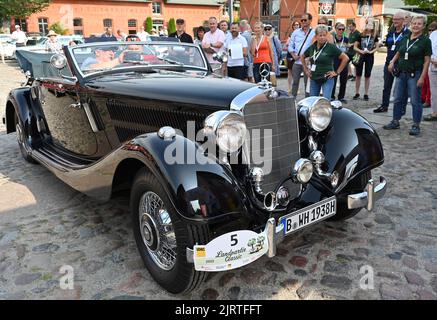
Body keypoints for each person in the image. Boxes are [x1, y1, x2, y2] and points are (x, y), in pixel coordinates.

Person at [383, 15, 432, 136]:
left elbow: (427, 61)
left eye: (419, 24)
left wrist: (422, 77)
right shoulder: (405, 37)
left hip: (415, 74)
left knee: (415, 100)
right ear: (411, 24)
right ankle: (395, 121)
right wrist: (392, 62)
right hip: (401, 73)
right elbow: (399, 52)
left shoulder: (425, 41)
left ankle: (416, 124)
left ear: (423, 26)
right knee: (398, 98)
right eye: (414, 23)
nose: (416, 25)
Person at [374, 12, 411, 113]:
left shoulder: (408, 33)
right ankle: (384, 106)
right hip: (388, 62)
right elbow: (388, 45)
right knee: (386, 86)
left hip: (401, 64)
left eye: (397, 19)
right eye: (394, 19)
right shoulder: (391, 32)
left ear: (403, 20)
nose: (394, 21)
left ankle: (400, 108)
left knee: (401, 88)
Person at [302, 24, 349, 100]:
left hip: (327, 78)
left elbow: (345, 58)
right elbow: (302, 56)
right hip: (314, 78)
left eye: (324, 35)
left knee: (326, 101)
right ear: (316, 36)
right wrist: (306, 70)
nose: (322, 37)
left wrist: (337, 72)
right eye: (320, 35)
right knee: (313, 101)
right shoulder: (312, 47)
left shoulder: (331, 47)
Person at [288, 13, 315, 98]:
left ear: (310, 21)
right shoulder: (296, 32)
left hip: (307, 62)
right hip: (297, 61)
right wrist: (293, 55)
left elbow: (315, 47)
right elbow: (290, 45)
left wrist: (310, 57)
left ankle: (307, 101)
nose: (303, 22)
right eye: (302, 20)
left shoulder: (314, 32)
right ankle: (293, 99)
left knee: (307, 84)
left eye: (305, 20)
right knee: (295, 82)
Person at [353, 22, 380, 101]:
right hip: (361, 56)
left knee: (367, 75)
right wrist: (361, 51)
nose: (369, 27)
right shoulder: (361, 35)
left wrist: (371, 52)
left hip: (369, 56)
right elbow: (355, 47)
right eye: (368, 25)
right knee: (358, 75)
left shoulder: (374, 36)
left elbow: (377, 47)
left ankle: (366, 93)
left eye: (371, 25)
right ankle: (357, 92)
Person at [331, 23, 349, 102]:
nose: (341, 31)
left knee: (343, 80)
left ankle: (341, 97)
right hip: (334, 60)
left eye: (343, 29)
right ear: (335, 29)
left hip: (344, 61)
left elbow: (347, 49)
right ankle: (332, 96)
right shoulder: (332, 38)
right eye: (339, 29)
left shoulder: (346, 39)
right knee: (333, 79)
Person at [424, 22, 437, 121]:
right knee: (434, 91)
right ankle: (435, 113)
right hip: (433, 67)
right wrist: (431, 60)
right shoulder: (433, 35)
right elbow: (428, 50)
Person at [286, 21, 301, 92]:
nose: (296, 26)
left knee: (296, 72)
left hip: (298, 55)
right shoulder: (291, 34)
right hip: (290, 55)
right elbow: (287, 44)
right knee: (290, 72)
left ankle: (296, 88)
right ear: (293, 26)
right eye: (295, 25)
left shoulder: (301, 34)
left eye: (297, 25)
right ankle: (289, 88)